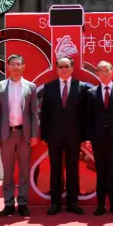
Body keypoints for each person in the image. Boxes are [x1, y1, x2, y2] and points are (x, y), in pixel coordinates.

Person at [40, 57, 90, 215]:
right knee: (55, 170)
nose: (63, 69)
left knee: (73, 170)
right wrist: (44, 135)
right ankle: (55, 203)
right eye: (60, 66)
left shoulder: (81, 87)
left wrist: (85, 136)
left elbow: (85, 114)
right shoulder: (49, 87)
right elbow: (44, 113)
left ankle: (72, 202)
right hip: (54, 136)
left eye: (66, 66)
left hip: (74, 136)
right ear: (56, 69)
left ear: (72, 68)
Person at [0, 54, 39, 218]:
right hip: (6, 135)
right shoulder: (0, 87)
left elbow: (34, 113)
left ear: (23, 66)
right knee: (8, 171)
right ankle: (9, 203)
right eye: (13, 64)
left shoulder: (31, 87)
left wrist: (34, 134)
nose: (16, 67)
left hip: (24, 134)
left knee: (24, 170)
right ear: (8, 66)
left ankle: (23, 203)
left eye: (19, 64)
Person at [83, 61, 113, 216]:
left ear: (112, 71)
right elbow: (88, 117)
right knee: (101, 170)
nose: (103, 73)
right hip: (97, 137)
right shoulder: (91, 93)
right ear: (97, 73)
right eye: (100, 70)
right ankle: (101, 204)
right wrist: (87, 138)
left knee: (112, 171)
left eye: (106, 70)